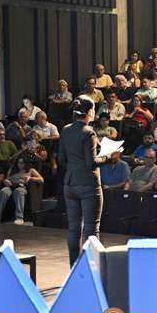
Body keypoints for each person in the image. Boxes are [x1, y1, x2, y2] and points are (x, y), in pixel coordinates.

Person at [58, 98, 108, 266]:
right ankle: (90, 269)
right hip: (88, 184)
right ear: (90, 112)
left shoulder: (65, 130)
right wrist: (109, 157)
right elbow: (91, 162)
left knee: (74, 228)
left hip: (70, 183)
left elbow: (61, 159)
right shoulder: (89, 132)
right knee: (91, 229)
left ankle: (74, 267)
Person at [0, 156, 44, 225]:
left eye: (22, 163)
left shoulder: (31, 170)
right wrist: (6, 181)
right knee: (3, 191)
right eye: (18, 163)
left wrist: (30, 178)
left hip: (22, 187)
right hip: (11, 186)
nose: (20, 164)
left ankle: (19, 218)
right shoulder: (12, 169)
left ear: (26, 163)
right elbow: (7, 179)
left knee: (18, 191)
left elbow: (41, 180)